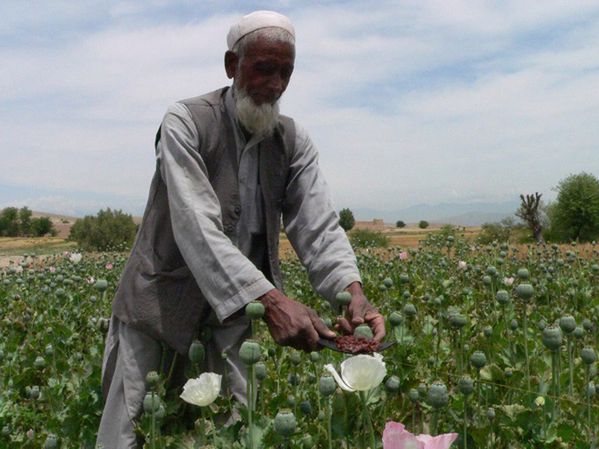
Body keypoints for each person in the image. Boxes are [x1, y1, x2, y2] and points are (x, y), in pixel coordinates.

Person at [96, 10, 385, 449]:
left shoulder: (292, 141)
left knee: (232, 430)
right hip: (158, 306)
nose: (275, 84)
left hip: (232, 316)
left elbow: (318, 226)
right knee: (133, 430)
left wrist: (352, 291)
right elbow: (198, 228)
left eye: (285, 72)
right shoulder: (187, 122)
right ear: (232, 65)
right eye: (263, 68)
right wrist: (272, 301)